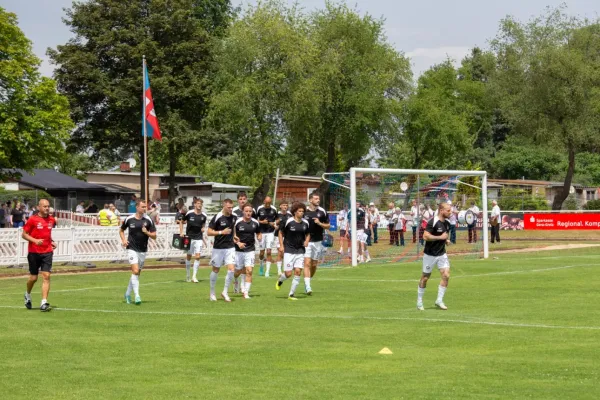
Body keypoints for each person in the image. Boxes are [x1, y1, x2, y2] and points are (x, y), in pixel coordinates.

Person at [119, 200, 157, 305]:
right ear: (137, 207)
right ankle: (137, 296)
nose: (144, 209)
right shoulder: (129, 219)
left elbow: (154, 236)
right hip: (131, 248)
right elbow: (121, 230)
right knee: (135, 271)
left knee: (136, 274)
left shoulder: (148, 220)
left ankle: (127, 294)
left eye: (145, 207)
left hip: (143, 250)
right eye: (142, 207)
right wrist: (123, 240)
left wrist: (147, 232)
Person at [22, 199, 56, 311]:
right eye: (45, 206)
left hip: (47, 252)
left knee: (46, 276)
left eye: (48, 206)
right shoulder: (32, 219)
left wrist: (51, 241)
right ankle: (27, 294)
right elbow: (24, 235)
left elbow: (47, 234)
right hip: (34, 252)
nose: (47, 208)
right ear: (39, 207)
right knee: (33, 278)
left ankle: (44, 302)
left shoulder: (51, 219)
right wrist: (35, 241)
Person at [417, 202, 452, 311]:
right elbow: (425, 236)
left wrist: (446, 240)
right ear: (441, 210)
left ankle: (439, 300)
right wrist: (441, 238)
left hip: (442, 253)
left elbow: (442, 236)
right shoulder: (433, 222)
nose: (450, 212)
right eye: (448, 210)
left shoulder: (447, 223)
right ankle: (419, 301)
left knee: (446, 275)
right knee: (425, 278)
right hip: (430, 254)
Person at [275, 202, 310, 300]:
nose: (301, 213)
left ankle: (291, 294)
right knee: (288, 274)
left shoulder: (305, 223)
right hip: (289, 250)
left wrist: (306, 241)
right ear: (295, 212)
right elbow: (280, 233)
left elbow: (308, 234)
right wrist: (281, 246)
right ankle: (280, 280)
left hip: (300, 250)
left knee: (298, 272)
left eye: (303, 211)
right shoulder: (288, 221)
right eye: (299, 211)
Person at [207, 199, 238, 302]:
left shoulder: (234, 217)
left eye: (232, 207)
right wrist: (221, 232)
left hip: (230, 247)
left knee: (231, 269)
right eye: (229, 207)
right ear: (224, 206)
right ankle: (212, 292)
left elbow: (233, 228)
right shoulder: (218, 217)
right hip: (218, 248)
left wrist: (235, 236)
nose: (231, 209)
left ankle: (225, 292)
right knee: (216, 270)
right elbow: (209, 232)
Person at [303, 192, 330, 294]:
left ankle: (308, 281)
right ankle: (308, 286)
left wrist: (319, 223)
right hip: (306, 242)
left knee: (314, 265)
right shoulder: (304, 211)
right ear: (310, 200)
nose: (318, 200)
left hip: (318, 241)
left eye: (318, 199)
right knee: (307, 263)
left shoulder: (322, 212)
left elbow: (328, 226)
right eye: (315, 199)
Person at [233, 204, 262, 299]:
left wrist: (259, 236)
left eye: (250, 211)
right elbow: (233, 237)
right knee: (238, 271)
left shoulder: (255, 222)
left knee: (249, 270)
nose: (248, 213)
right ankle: (236, 279)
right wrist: (238, 243)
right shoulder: (237, 222)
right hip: (239, 250)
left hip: (250, 249)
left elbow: (258, 232)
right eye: (246, 211)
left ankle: (246, 292)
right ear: (243, 212)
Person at [231, 191, 256, 290]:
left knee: (247, 269)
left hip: (249, 246)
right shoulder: (234, 212)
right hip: (236, 243)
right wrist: (236, 240)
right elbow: (232, 228)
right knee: (238, 270)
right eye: (240, 199)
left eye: (244, 199)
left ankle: (243, 287)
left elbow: (254, 225)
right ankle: (235, 280)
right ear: (238, 200)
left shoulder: (251, 211)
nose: (242, 201)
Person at [179, 198, 208, 283]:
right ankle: (188, 274)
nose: (199, 205)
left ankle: (194, 276)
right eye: (198, 203)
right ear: (195, 204)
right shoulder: (189, 213)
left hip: (198, 238)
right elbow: (181, 222)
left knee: (198, 256)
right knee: (189, 256)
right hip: (189, 238)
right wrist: (181, 232)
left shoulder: (204, 215)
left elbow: (203, 224)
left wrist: (203, 228)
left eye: (200, 204)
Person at [257, 196, 278, 277]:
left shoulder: (274, 209)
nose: (268, 204)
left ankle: (267, 272)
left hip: (270, 232)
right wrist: (262, 222)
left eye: (269, 203)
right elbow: (254, 219)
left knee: (269, 251)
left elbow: (277, 219)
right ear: (264, 201)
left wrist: (275, 224)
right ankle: (261, 266)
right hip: (261, 232)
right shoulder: (259, 208)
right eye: (267, 203)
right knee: (262, 253)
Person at [274, 201, 292, 276]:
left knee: (286, 253)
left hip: (287, 236)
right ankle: (279, 270)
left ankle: (286, 269)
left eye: (286, 205)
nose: (285, 206)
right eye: (283, 205)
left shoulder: (290, 214)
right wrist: (276, 224)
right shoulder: (277, 214)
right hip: (278, 235)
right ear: (280, 206)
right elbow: (273, 223)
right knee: (280, 252)